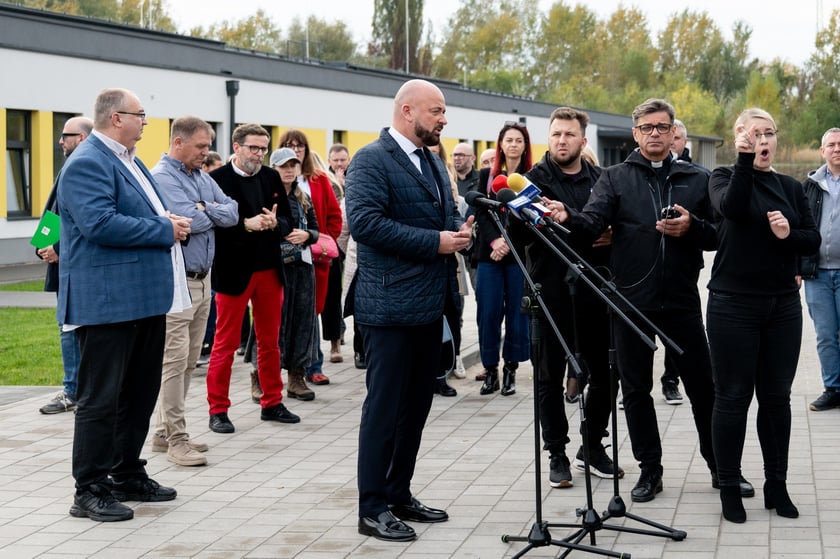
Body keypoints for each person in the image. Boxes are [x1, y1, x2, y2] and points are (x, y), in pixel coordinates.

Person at [550, 98, 753, 503]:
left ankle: (722, 468)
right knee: (637, 391)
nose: (655, 134)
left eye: (662, 127)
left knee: (703, 386)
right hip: (630, 303)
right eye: (647, 128)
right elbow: (591, 224)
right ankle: (650, 471)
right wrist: (567, 216)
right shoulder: (614, 178)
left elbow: (719, 236)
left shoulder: (698, 178)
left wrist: (691, 227)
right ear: (635, 133)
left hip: (680, 301)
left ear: (675, 130)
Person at [346, 79, 473, 542]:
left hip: (429, 307)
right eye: (436, 111)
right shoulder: (369, 160)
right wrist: (435, 243)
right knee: (384, 409)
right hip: (388, 308)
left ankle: (399, 494)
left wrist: (460, 230)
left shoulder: (433, 162)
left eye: (443, 112)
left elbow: (447, 217)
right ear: (406, 111)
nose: (443, 119)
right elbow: (365, 224)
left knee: (416, 408)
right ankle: (371, 507)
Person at [57, 88, 190, 521]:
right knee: (101, 399)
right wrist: (162, 227)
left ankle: (127, 473)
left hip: (142, 299)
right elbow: (98, 223)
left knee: (138, 392)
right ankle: (89, 489)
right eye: (141, 115)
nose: (146, 122)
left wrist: (164, 222)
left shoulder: (126, 159)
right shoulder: (88, 161)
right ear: (116, 118)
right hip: (109, 302)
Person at [707, 108, 819, 522]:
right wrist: (741, 161)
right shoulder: (721, 177)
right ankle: (730, 487)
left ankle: (777, 484)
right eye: (754, 134)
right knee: (733, 397)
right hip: (733, 305)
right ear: (739, 138)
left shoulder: (792, 187)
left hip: (782, 307)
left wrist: (789, 234)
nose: (763, 140)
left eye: (769, 133)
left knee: (777, 399)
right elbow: (732, 209)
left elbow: (812, 238)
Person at [511, 107, 622, 489]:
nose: (561, 140)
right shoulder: (530, 182)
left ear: (583, 140)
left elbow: (613, 227)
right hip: (550, 292)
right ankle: (556, 451)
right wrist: (585, 228)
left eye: (569, 135)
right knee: (548, 376)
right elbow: (521, 237)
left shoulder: (603, 180)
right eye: (556, 134)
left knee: (609, 371)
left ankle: (591, 446)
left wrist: (605, 232)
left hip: (594, 290)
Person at [149, 117, 238, 466]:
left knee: (188, 361)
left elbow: (231, 213)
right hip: (177, 280)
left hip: (204, 278)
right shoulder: (162, 177)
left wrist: (206, 211)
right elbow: (186, 220)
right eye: (201, 146)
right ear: (178, 142)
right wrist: (206, 213)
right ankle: (177, 439)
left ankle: (163, 431)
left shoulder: (201, 176)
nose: (206, 153)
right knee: (174, 360)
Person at [206, 123, 297, 433]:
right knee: (226, 343)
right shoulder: (216, 180)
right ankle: (218, 409)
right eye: (254, 148)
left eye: (263, 148)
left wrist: (275, 222)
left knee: (270, 342)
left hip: (269, 270)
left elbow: (288, 221)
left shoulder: (271, 177)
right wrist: (246, 225)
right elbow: (212, 226)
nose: (259, 154)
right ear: (237, 147)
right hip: (233, 272)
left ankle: (272, 402)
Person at [36, 115, 93, 415]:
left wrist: (58, 249)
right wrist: (43, 247)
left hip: (74, 263)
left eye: (65, 135)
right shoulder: (69, 167)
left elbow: (83, 219)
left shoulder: (83, 167)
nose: (60, 140)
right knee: (67, 326)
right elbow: (54, 211)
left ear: (81, 138)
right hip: (61, 261)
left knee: (71, 327)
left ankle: (74, 390)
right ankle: (76, 387)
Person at [471, 122, 531, 394]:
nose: (514, 144)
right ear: (501, 144)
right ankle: (490, 371)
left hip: (518, 256)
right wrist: (496, 240)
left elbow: (531, 216)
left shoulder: (531, 177)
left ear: (525, 145)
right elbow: (481, 212)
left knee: (518, 315)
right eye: (510, 140)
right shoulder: (486, 175)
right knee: (488, 313)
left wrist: (509, 243)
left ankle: (510, 370)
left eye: (519, 140)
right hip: (490, 254)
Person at [278, 130, 343, 381]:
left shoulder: (318, 180)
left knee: (312, 311)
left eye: (299, 146)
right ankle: (285, 368)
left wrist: (322, 241)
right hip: (282, 259)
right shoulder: (272, 182)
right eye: (289, 145)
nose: (295, 150)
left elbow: (335, 218)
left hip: (313, 257)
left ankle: (313, 367)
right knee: (285, 313)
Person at [269, 147, 319, 401]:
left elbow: (317, 230)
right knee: (274, 324)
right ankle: (262, 376)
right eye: (283, 166)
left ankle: (297, 377)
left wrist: (307, 235)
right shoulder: (267, 196)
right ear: (274, 169)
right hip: (275, 267)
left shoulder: (304, 197)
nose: (289, 170)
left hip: (302, 266)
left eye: (293, 165)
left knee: (302, 322)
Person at [802, 127, 840, 412]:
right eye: (832, 144)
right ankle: (833, 388)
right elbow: (800, 226)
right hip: (818, 274)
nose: (837, 149)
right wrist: (797, 267)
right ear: (822, 150)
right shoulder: (811, 184)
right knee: (826, 334)